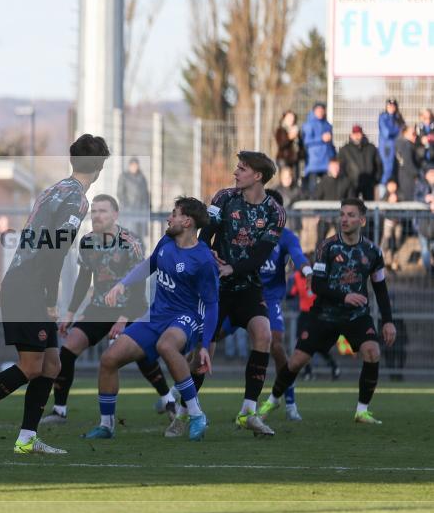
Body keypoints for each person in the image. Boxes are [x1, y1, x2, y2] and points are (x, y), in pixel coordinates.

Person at [0, 134, 110, 455]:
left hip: (23, 281)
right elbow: (55, 251)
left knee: (52, 364)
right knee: (32, 365)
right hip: (28, 286)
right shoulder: (77, 199)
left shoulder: (54, 189)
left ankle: (26, 438)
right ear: (99, 167)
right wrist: (51, 300)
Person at [89, 197, 218, 441]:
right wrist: (122, 284)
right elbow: (149, 265)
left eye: (174, 214)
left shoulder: (203, 260)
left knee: (166, 346)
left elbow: (211, 306)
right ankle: (106, 425)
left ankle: (196, 414)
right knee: (108, 359)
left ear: (187, 221)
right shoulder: (167, 241)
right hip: (156, 315)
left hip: (186, 317)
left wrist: (204, 344)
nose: (169, 218)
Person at [258, 199, 397, 425]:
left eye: (351, 215)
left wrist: (388, 321)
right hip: (325, 314)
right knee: (296, 361)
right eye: (342, 214)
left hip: (356, 315)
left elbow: (380, 289)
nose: (345, 219)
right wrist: (345, 296)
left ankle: (362, 411)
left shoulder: (373, 251)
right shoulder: (327, 247)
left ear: (362, 220)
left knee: (372, 352)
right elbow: (317, 285)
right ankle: (273, 399)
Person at [41, 194, 171, 425]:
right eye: (94, 211)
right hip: (99, 308)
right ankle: (60, 410)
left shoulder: (131, 242)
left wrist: (123, 318)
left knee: (140, 354)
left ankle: (168, 399)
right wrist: (70, 313)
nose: (97, 216)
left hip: (131, 307)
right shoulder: (87, 242)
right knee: (68, 348)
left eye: (103, 211)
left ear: (115, 215)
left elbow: (139, 285)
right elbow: (83, 279)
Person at [197, 151, 283, 436]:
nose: (235, 172)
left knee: (264, 334)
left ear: (257, 176)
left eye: (242, 169)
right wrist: (209, 254)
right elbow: (204, 236)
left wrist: (232, 268)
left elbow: (260, 256)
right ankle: (186, 410)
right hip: (216, 287)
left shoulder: (275, 212)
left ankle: (248, 411)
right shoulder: (223, 198)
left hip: (247, 286)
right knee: (204, 349)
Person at [214, 189, 313, 422]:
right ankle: (180, 392)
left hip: (268, 299)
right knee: (209, 337)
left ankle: (288, 400)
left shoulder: (285, 236)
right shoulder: (245, 230)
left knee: (275, 343)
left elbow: (298, 256)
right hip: (238, 294)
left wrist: (308, 271)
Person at [288, 268, 340, 381]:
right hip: (304, 314)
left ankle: (333, 366)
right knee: (301, 343)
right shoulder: (297, 277)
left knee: (318, 345)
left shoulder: (317, 276)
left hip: (316, 314)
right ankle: (308, 371)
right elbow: (292, 293)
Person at [314, 157, 352, 246]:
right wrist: (317, 213)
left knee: (343, 240)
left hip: (340, 215)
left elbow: (350, 199)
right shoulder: (323, 181)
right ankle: (319, 255)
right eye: (333, 167)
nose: (336, 169)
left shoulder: (346, 181)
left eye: (337, 167)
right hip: (325, 215)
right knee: (320, 240)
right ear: (329, 168)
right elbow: (316, 198)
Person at [339, 125, 383, 201]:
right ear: (351, 135)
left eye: (358, 134)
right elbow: (341, 167)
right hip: (352, 184)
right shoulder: (345, 150)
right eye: (354, 134)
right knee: (352, 204)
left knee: (369, 205)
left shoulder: (371, 148)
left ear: (362, 134)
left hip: (368, 184)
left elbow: (379, 165)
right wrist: (347, 182)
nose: (357, 136)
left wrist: (375, 180)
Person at [301, 103, 335, 194]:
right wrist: (321, 138)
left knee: (326, 185)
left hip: (326, 161)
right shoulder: (308, 125)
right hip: (314, 162)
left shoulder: (327, 125)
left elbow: (330, 144)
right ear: (314, 111)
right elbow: (307, 141)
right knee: (313, 186)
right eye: (318, 110)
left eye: (322, 110)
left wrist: (333, 157)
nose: (320, 112)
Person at [116, 156, 150, 236]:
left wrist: (146, 207)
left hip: (140, 211)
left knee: (139, 235)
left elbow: (146, 194)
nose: (135, 167)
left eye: (136, 165)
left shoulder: (142, 178)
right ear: (130, 166)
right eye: (133, 165)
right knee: (128, 234)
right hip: (128, 211)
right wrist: (127, 206)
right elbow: (120, 193)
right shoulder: (124, 176)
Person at [378, 98, 404, 189]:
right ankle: (383, 191)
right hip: (387, 147)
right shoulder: (383, 117)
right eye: (389, 106)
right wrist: (398, 130)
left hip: (397, 147)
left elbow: (403, 130)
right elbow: (387, 132)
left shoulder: (398, 117)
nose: (391, 108)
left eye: (393, 106)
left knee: (396, 170)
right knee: (387, 170)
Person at [380, 179, 403, 271]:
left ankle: (395, 261)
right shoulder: (385, 194)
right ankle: (383, 260)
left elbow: (404, 200)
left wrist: (397, 199)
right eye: (390, 185)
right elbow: (381, 203)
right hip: (388, 221)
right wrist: (388, 200)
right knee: (386, 240)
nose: (392, 187)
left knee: (397, 242)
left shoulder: (400, 193)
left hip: (398, 221)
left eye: (394, 184)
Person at [395, 125, 422, 202]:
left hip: (406, 178)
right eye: (413, 134)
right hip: (409, 179)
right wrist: (418, 174)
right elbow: (408, 163)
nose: (415, 136)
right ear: (405, 133)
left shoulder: (404, 144)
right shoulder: (405, 144)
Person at [415, 165, 434, 273]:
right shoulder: (421, 185)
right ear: (426, 175)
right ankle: (429, 272)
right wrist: (426, 199)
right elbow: (416, 198)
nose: (432, 175)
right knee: (425, 249)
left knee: (432, 247)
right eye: (430, 173)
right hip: (421, 223)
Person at [274, 110, 303, 178]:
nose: (291, 119)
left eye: (292, 117)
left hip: (295, 159)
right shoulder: (280, 130)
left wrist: (301, 154)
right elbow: (281, 144)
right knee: (285, 179)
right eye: (289, 117)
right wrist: (289, 138)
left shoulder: (297, 130)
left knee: (295, 179)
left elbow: (300, 145)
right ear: (284, 118)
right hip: (284, 159)